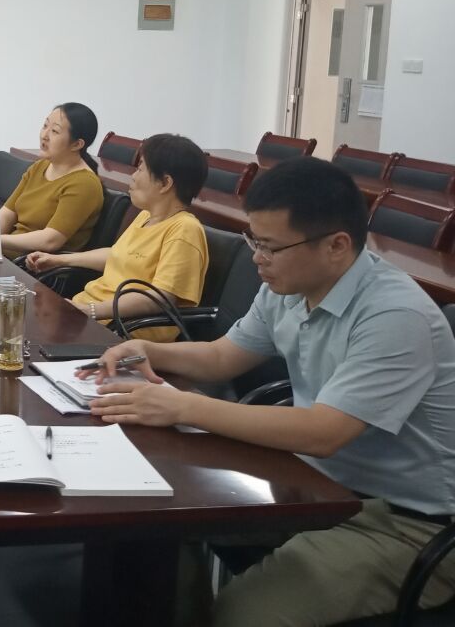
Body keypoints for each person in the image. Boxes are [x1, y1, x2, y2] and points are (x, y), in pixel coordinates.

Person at [86, 157, 455, 626]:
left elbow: (324, 432)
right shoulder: (289, 284)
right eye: (253, 241)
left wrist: (182, 406)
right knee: (153, 533)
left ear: (337, 245)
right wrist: (150, 351)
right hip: (312, 485)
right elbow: (222, 356)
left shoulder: (395, 316)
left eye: (270, 247)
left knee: (244, 614)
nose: (257, 258)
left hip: (404, 523)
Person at [27, 133, 209, 342]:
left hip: (122, 332)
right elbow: (118, 254)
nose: (133, 176)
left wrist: (90, 311)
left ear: (165, 183)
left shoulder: (184, 229)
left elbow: (160, 297)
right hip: (91, 316)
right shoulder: (146, 216)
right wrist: (59, 260)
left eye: (140, 168)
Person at [0, 104, 104, 256]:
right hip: (4, 253)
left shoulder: (84, 184)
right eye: (45, 126)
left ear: (77, 144)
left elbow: (50, 240)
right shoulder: (40, 166)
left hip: (30, 264)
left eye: (54, 131)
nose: (44, 135)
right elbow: (7, 212)